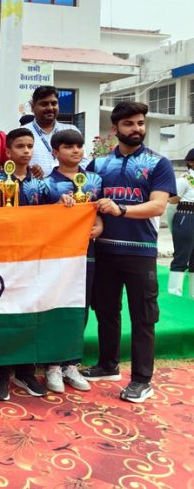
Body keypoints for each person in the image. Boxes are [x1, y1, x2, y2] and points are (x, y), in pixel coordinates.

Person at [82, 101, 176, 403]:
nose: (137, 129)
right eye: (129, 124)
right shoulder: (98, 165)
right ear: (115, 129)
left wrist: (121, 210)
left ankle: (141, 379)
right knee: (106, 312)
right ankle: (108, 365)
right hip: (105, 251)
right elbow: (89, 200)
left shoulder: (158, 163)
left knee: (143, 317)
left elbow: (158, 205)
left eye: (140, 123)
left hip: (141, 251)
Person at [0, 128, 51, 400]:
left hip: (32, 258)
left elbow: (53, 215)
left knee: (29, 314)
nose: (26, 151)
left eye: (29, 146)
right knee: (2, 313)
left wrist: (69, 203)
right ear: (8, 152)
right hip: (1, 258)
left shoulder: (41, 184)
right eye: (20, 146)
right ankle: (0, 373)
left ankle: (26, 372)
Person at [42, 129, 103, 393]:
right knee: (56, 306)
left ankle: (71, 363)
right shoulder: (46, 184)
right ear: (55, 152)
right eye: (68, 146)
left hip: (86, 255)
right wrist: (55, 208)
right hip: (56, 257)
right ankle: (52, 364)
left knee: (81, 306)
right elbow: (37, 219)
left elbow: (99, 211)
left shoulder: (95, 180)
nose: (75, 151)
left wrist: (99, 225)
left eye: (78, 146)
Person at [27, 86, 81, 178]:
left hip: (68, 190)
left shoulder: (72, 131)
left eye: (54, 103)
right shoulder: (23, 133)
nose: (50, 108)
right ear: (32, 107)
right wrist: (28, 170)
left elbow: (83, 162)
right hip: (35, 190)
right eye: (44, 104)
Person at [166, 148, 194, 298]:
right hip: (186, 218)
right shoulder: (184, 180)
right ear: (190, 162)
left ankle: (192, 296)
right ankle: (174, 294)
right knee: (182, 257)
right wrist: (174, 226)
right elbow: (171, 202)